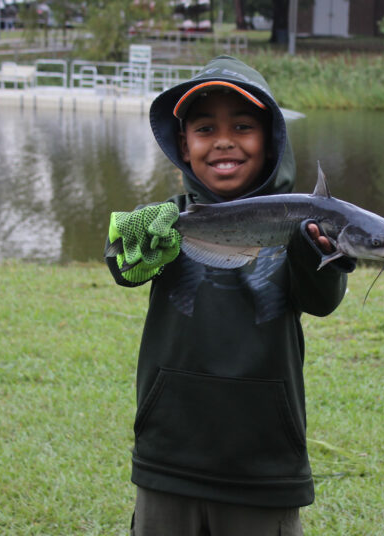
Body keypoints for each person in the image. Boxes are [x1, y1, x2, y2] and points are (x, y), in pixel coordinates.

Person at [104, 56, 355, 535]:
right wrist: (141, 239)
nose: (223, 140)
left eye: (243, 126)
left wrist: (318, 252)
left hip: (263, 466)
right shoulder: (168, 219)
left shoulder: (302, 223)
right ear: (184, 144)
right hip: (168, 457)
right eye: (204, 128)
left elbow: (324, 300)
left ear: (272, 142)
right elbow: (120, 263)